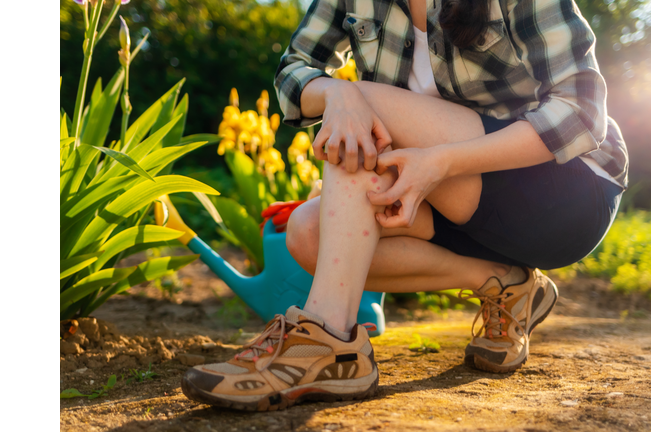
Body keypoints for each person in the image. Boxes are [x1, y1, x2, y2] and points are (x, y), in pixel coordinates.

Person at [181, 0, 628, 411]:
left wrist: (442, 163)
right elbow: (294, 69)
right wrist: (338, 96)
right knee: (306, 233)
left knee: (367, 102)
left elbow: (581, 111)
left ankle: (327, 337)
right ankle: (506, 284)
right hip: (445, 193)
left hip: (565, 193)